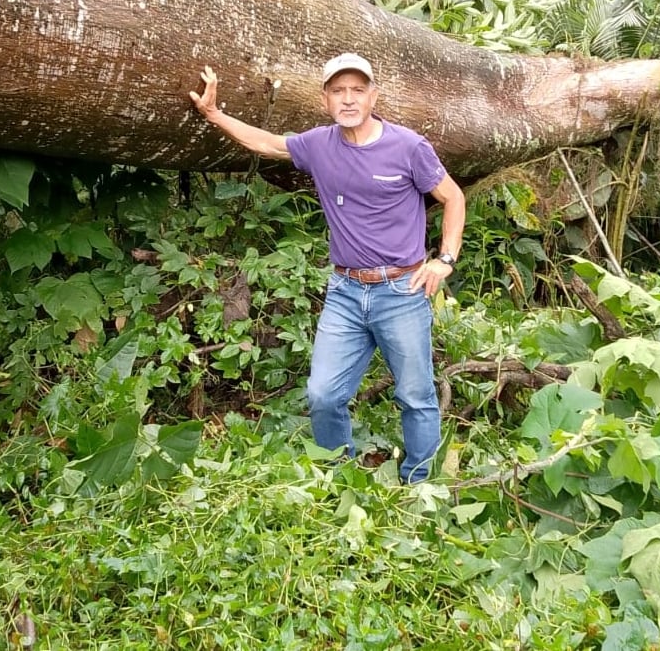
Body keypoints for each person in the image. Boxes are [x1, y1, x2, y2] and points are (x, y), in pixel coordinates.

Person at [189, 52, 465, 483]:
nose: (349, 99)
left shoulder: (409, 147)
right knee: (322, 395)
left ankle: (418, 485)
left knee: (415, 395)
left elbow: (453, 197)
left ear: (374, 95)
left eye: (358, 90)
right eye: (339, 91)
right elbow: (267, 143)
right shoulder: (319, 144)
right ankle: (340, 478)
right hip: (346, 293)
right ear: (325, 99)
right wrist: (212, 113)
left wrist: (445, 259)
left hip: (402, 290)